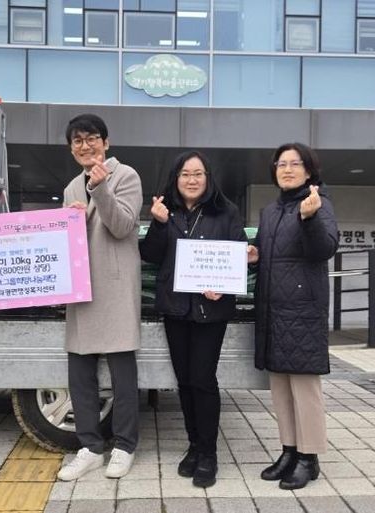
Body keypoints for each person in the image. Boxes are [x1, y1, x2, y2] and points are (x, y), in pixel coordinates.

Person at [139, 150, 247, 488]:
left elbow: (239, 253)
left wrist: (223, 285)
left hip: (211, 311)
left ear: (208, 178)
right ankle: (194, 445)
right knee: (184, 381)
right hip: (175, 308)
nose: (191, 180)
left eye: (198, 173)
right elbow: (151, 255)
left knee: (203, 380)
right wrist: (158, 223)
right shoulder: (165, 211)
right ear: (175, 178)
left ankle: (209, 453)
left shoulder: (226, 211)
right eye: (185, 174)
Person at [57, 114, 142, 481]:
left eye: (92, 138)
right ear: (71, 148)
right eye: (77, 140)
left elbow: (122, 226)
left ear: (106, 142)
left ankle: (124, 446)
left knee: (123, 375)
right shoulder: (70, 187)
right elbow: (66, 241)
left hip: (115, 286)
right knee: (80, 372)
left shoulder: (126, 176)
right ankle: (90, 447)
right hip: (81, 287)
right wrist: (69, 222)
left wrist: (100, 188)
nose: (85, 145)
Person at [250, 142, 338, 490]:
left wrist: (310, 218)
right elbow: (267, 254)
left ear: (309, 170)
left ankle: (309, 457)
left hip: (302, 313)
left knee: (304, 388)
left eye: (294, 163)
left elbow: (324, 248)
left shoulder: (318, 204)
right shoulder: (270, 211)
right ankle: (289, 451)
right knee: (281, 388)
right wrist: (254, 255)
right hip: (273, 310)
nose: (286, 169)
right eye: (281, 164)